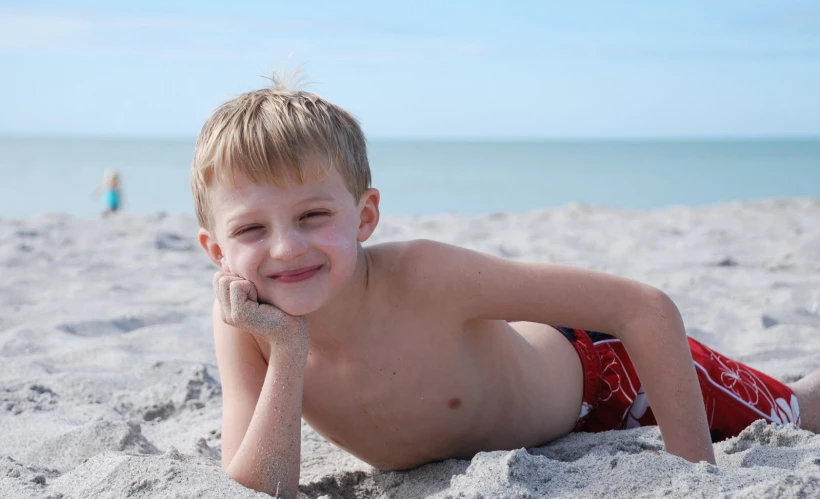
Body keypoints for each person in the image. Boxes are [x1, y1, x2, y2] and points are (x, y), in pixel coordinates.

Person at [191, 76, 820, 498]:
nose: (286, 248)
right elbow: (257, 485)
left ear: (364, 217)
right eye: (250, 228)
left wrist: (692, 477)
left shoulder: (422, 275)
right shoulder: (247, 325)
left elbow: (644, 308)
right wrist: (289, 350)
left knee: (798, 412)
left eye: (313, 216)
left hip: (609, 373)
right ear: (216, 251)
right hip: (550, 434)